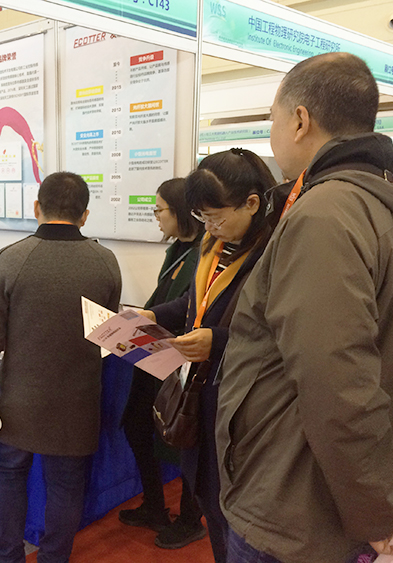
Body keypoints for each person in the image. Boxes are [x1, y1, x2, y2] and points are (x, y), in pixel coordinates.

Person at [215, 52, 393, 563]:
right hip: (340, 488)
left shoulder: (327, 213)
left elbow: (336, 379)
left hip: (294, 503)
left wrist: (378, 510)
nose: (272, 135)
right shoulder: (390, 202)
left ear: (300, 120)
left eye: (273, 119)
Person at [0, 172, 122, 563]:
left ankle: (7, 555)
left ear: (37, 208)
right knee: (66, 485)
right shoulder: (105, 262)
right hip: (78, 398)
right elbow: (108, 332)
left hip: (20, 399)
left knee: (8, 473)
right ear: (85, 215)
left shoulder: (12, 258)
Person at [142, 149, 276, 562]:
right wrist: (154, 315)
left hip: (239, 400)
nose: (210, 227)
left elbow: (279, 333)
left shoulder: (275, 251)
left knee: (232, 507)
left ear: (251, 203)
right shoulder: (213, 245)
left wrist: (216, 341)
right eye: (202, 217)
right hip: (199, 393)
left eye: (216, 217)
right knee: (205, 493)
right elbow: (192, 302)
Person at [118, 178, 207, 549]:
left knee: (184, 437)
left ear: (180, 211)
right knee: (136, 425)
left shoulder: (205, 251)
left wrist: (147, 317)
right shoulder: (178, 250)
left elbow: (191, 307)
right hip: (154, 355)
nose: (155, 216)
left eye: (160, 210)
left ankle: (190, 519)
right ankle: (154, 504)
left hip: (182, 360)